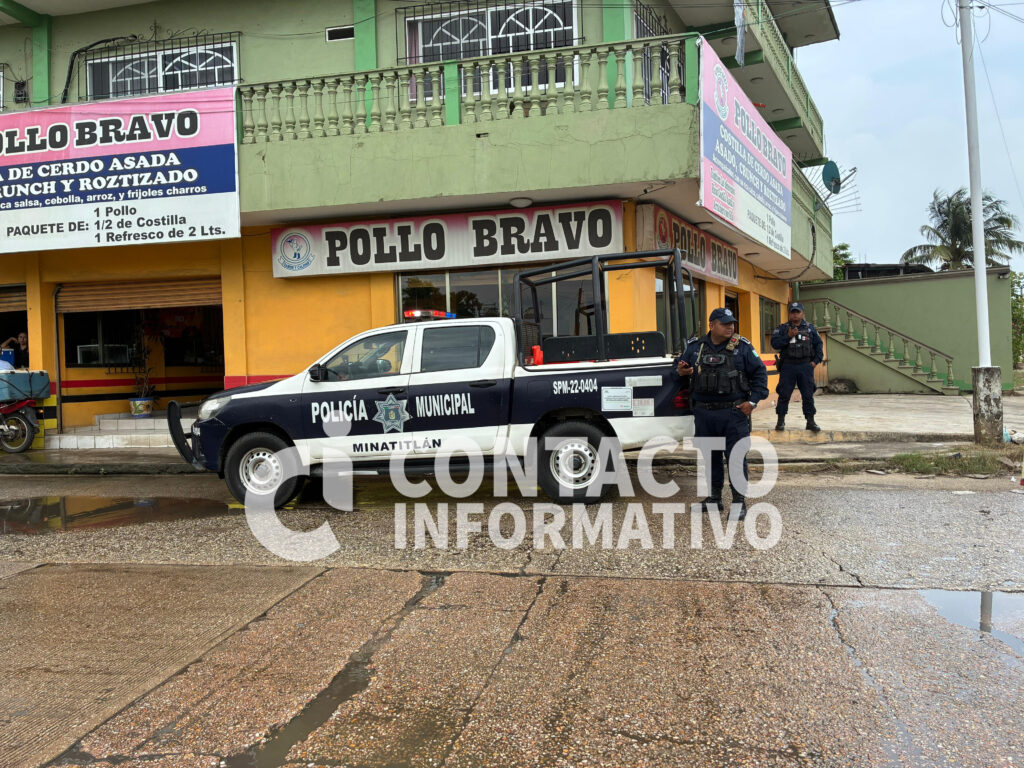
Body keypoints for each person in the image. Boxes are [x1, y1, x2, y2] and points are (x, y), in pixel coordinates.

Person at [675, 307, 768, 520]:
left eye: (732, 323)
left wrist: (752, 402)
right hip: (705, 414)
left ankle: (738, 502)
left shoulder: (742, 347)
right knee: (710, 458)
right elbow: (678, 369)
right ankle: (713, 499)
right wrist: (681, 371)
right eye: (725, 323)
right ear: (712, 325)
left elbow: (760, 374)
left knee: (735, 458)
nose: (730, 327)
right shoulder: (696, 348)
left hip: (733, 413)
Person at [770, 302, 823, 432]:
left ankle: (810, 421)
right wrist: (788, 336)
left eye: (797, 312)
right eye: (792, 312)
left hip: (805, 365)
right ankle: (780, 421)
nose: (795, 314)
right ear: (789, 313)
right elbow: (775, 344)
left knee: (808, 395)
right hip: (788, 365)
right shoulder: (782, 328)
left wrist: (815, 362)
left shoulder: (810, 328)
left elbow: (818, 346)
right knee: (784, 394)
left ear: (802, 313)